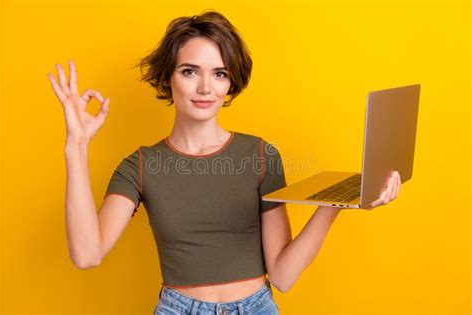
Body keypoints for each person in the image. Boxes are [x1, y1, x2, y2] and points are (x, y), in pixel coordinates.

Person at [47, 9, 401, 315]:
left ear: (230, 83)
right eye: (189, 71)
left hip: (256, 306)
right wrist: (76, 146)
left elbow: (282, 275)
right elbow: (86, 254)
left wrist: (333, 205)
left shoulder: (260, 155)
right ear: (167, 78)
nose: (205, 87)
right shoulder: (141, 165)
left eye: (219, 73)